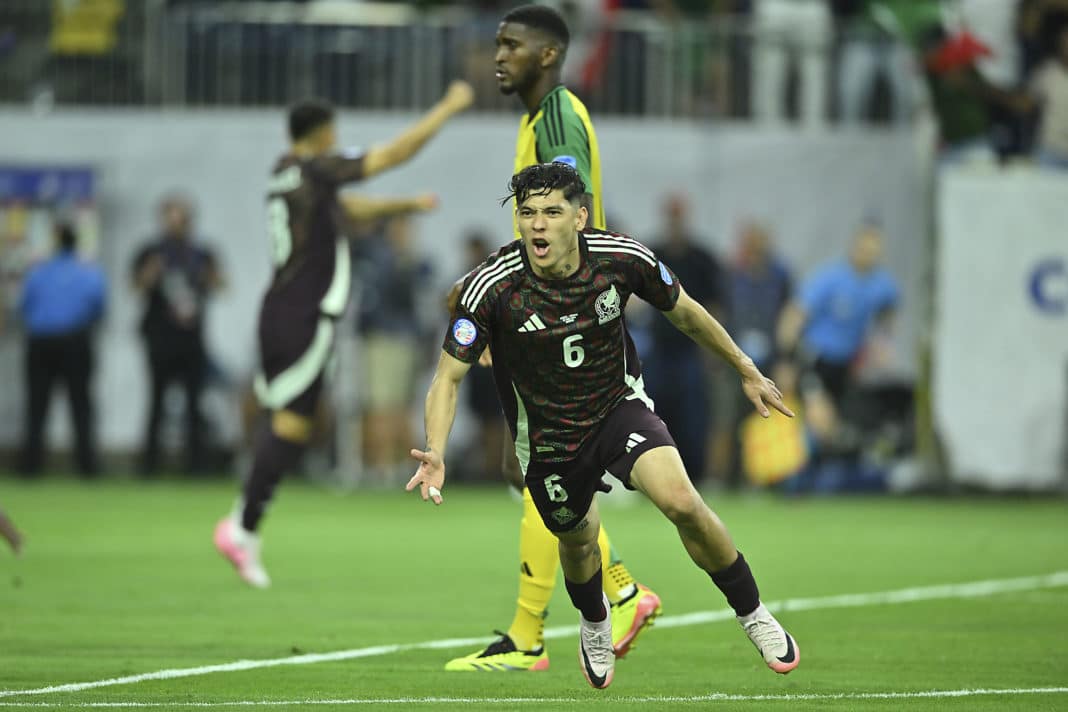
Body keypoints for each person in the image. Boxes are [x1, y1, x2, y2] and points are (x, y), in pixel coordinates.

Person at [408, 162, 799, 689]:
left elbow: (686, 313)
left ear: (580, 216)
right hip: (547, 436)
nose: (538, 225)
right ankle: (595, 621)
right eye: (528, 214)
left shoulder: (622, 258)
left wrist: (746, 369)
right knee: (579, 540)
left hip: (618, 408)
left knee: (682, 501)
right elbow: (447, 378)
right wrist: (436, 449)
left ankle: (754, 614)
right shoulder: (493, 286)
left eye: (551, 212)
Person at [442, 4, 661, 673]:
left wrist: (528, 310)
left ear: (547, 54)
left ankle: (540, 631)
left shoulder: (560, 118)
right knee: (531, 470)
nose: (498, 55)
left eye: (510, 45)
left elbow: (572, 228)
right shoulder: (539, 119)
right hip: (539, 315)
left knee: (539, 468)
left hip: (562, 322)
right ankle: (596, 602)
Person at [213, 81, 475, 588]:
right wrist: (447, 106)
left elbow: (348, 211)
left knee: (294, 420)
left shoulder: (284, 174)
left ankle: (245, 521)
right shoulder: (316, 166)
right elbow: (394, 153)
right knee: (291, 422)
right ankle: (242, 524)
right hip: (303, 313)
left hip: (283, 310)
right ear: (323, 134)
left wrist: (405, 206)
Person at [777, 221, 900, 450]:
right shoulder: (831, 278)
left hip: (846, 365)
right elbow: (794, 315)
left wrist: (883, 344)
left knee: (842, 422)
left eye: (874, 251)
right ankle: (805, 468)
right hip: (816, 359)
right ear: (854, 248)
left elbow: (888, 314)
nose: (868, 255)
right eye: (864, 249)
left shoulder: (883, 285)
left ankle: (827, 464)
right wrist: (786, 359)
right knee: (819, 415)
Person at [131, 195, 224, 474]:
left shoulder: (201, 253)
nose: (177, 225)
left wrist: (210, 276)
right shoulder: (151, 252)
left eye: (182, 218)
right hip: (160, 340)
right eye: (172, 218)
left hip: (191, 340)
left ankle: (196, 466)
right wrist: (152, 272)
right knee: (156, 403)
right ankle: (149, 466)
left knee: (195, 404)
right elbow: (135, 287)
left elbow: (222, 286)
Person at [644, 193, 728, 483]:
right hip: (659, 350)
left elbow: (715, 307)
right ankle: (655, 476)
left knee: (693, 418)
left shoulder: (701, 258)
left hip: (690, 350)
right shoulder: (652, 253)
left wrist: (713, 349)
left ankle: (697, 475)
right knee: (652, 414)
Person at [17, 222, 106, 477]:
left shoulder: (38, 272)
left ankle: (30, 466)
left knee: (37, 406)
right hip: (76, 342)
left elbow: (24, 305)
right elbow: (99, 307)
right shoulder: (89, 272)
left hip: (41, 342)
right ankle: (87, 468)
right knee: (81, 405)